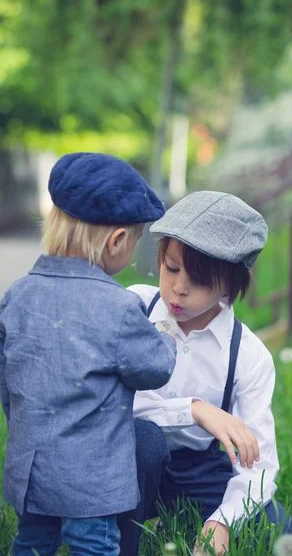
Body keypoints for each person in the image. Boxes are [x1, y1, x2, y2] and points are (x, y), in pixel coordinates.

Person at [0, 152, 177, 556]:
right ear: (116, 241)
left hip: (30, 470)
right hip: (91, 482)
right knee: (93, 546)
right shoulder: (117, 307)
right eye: (132, 241)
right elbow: (155, 368)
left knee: (32, 541)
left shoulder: (16, 296)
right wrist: (164, 332)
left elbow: (6, 378)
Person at [118, 191, 292, 556]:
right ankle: (120, 541)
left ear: (229, 286)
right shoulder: (134, 306)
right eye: (171, 268)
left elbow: (259, 465)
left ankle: (204, 518)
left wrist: (223, 520)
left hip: (196, 469)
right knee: (145, 441)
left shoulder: (248, 354)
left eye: (198, 280)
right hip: (129, 457)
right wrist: (196, 410)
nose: (179, 287)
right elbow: (116, 403)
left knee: (282, 530)